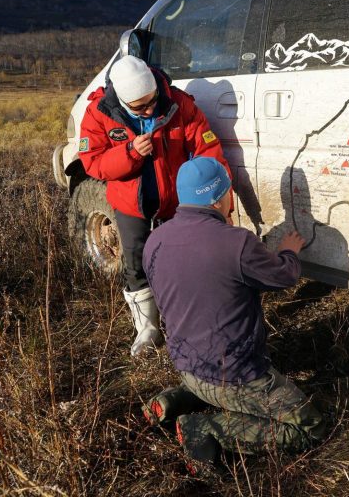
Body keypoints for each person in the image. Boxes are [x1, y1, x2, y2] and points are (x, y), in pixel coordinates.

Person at [141, 157, 327, 474]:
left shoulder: (155, 240)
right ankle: (207, 428)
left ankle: (171, 402)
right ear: (220, 198)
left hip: (187, 366)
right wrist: (288, 252)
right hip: (237, 377)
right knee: (311, 427)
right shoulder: (236, 242)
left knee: (209, 378)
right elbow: (283, 277)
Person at [78, 55, 232, 356]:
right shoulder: (98, 113)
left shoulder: (179, 104)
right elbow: (93, 163)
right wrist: (130, 152)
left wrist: (216, 199)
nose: (150, 109)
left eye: (153, 101)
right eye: (140, 107)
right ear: (121, 100)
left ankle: (187, 326)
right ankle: (147, 329)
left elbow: (207, 149)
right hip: (130, 205)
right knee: (135, 263)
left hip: (176, 205)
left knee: (182, 263)